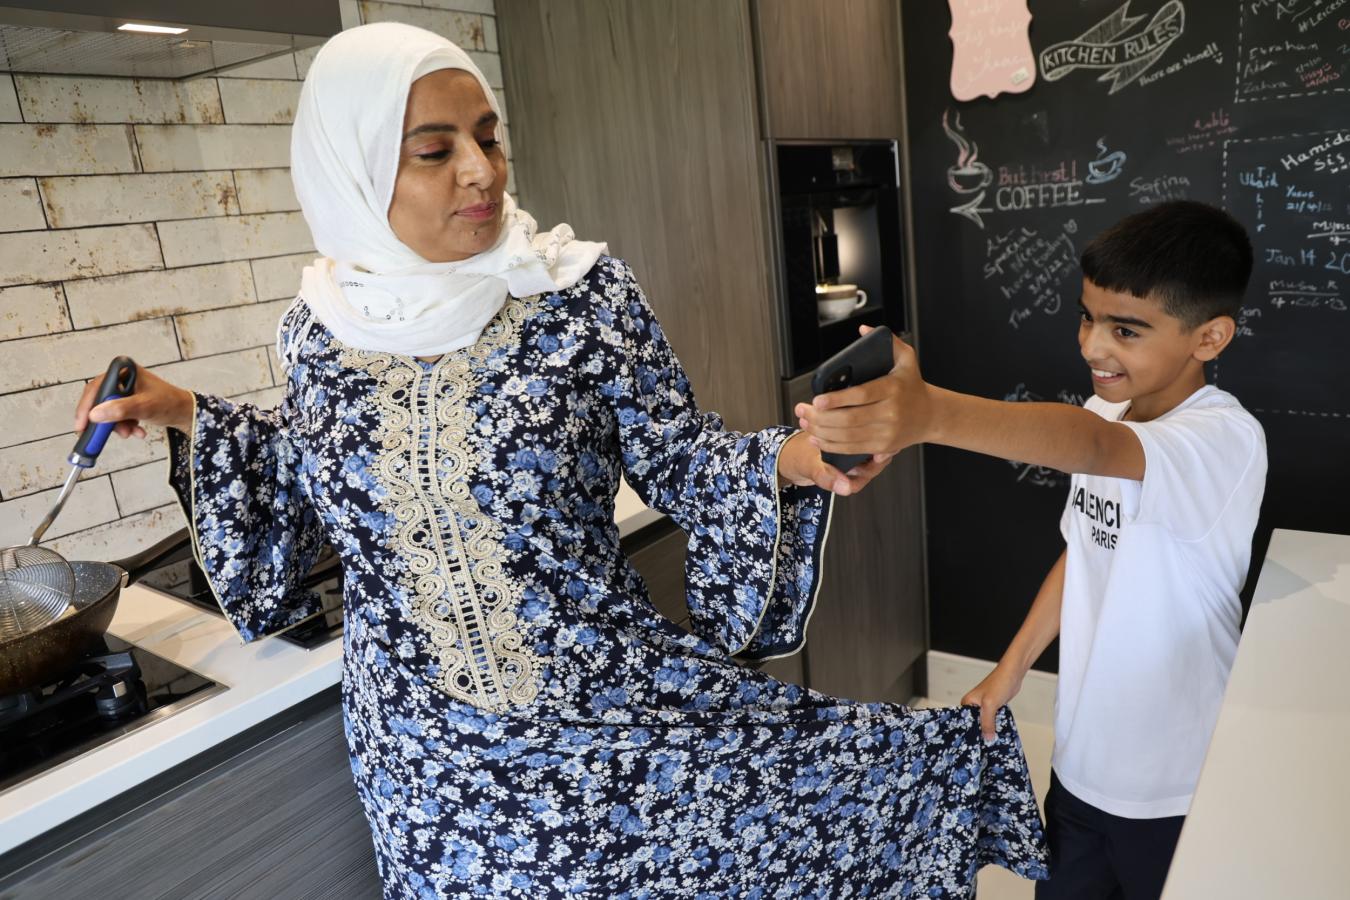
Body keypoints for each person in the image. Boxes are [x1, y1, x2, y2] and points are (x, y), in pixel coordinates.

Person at [76, 23, 1046, 898]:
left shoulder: (579, 296)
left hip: (603, 730)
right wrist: (185, 414)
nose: (480, 171)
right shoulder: (318, 331)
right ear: (355, 170)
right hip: (424, 773)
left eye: (489, 138)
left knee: (825, 798)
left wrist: (791, 459)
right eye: (435, 149)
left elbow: (683, 456)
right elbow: (311, 466)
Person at [796, 200, 1267, 899]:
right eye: (1088, 316)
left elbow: (1098, 449)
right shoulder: (1105, 407)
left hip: (1175, 782)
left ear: (1210, 337)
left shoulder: (1223, 440)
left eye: (1126, 330)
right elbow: (1086, 553)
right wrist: (1010, 668)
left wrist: (929, 413)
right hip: (1080, 762)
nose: (1093, 347)